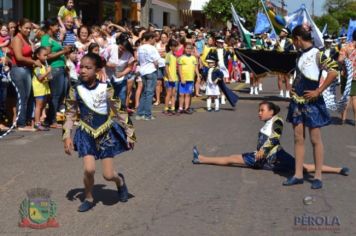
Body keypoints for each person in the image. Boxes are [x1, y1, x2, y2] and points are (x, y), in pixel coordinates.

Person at [192, 101, 349, 177]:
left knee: (305, 167)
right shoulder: (266, 123)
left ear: (271, 111)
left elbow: (275, 137)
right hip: (261, 157)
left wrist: (263, 150)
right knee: (231, 158)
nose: (259, 113)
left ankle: (338, 169)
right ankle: (200, 158)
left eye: (262, 110)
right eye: (259, 110)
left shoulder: (277, 120)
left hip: (276, 157)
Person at [63, 53, 136, 212]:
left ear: (97, 70)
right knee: (89, 170)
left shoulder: (106, 88)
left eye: (88, 68)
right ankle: (89, 197)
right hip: (85, 132)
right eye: (81, 67)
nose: (83, 70)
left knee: (108, 175)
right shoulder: (75, 89)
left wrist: (130, 132)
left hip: (105, 133)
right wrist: (67, 135)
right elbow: (69, 113)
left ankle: (120, 182)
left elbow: (119, 111)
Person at [283, 24, 339, 189]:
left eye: (294, 41)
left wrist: (319, 91)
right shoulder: (299, 56)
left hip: (312, 102)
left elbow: (334, 71)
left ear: (298, 39)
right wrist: (293, 87)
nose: (294, 44)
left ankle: (318, 176)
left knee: (315, 139)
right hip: (297, 101)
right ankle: (298, 174)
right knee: (298, 138)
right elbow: (300, 75)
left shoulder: (318, 54)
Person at [10, 18, 42, 131]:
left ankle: (24, 121)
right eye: (26, 28)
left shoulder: (26, 39)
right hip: (18, 70)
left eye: (30, 28)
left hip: (26, 70)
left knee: (26, 97)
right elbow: (18, 57)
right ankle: (21, 124)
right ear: (20, 27)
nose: (28, 30)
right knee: (22, 97)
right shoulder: (17, 39)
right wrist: (34, 62)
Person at [41, 18, 72, 129]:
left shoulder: (53, 38)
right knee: (55, 95)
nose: (58, 28)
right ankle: (52, 120)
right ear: (50, 26)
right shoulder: (46, 38)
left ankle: (54, 118)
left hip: (62, 68)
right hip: (55, 68)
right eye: (56, 26)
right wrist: (64, 51)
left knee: (62, 94)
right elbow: (47, 56)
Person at [135, 32, 160, 121]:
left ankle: (140, 113)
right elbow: (157, 61)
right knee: (149, 93)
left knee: (145, 92)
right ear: (150, 38)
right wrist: (156, 67)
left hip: (143, 71)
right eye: (154, 39)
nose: (155, 40)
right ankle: (147, 114)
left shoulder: (140, 48)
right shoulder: (152, 48)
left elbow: (138, 59)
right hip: (151, 70)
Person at [338, 30, 356, 126]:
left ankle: (343, 119)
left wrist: (347, 61)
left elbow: (340, 60)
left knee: (346, 97)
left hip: (346, 75)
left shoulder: (345, 47)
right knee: (354, 98)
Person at [32, 47, 51, 131]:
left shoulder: (44, 65)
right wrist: (47, 72)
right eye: (44, 55)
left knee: (43, 105)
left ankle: (40, 120)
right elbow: (39, 77)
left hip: (44, 88)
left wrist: (48, 75)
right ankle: (37, 123)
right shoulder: (37, 66)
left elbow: (45, 78)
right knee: (38, 106)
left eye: (47, 55)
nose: (46, 57)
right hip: (39, 89)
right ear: (38, 55)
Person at [178, 42, 200, 114]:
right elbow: (179, 69)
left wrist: (198, 76)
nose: (188, 50)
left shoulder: (194, 58)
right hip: (183, 79)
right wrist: (182, 78)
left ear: (192, 49)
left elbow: (196, 68)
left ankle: (186, 108)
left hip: (190, 79)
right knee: (181, 94)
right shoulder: (181, 58)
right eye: (187, 48)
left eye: (190, 48)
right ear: (184, 49)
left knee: (188, 94)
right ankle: (180, 108)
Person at [275, 28, 294, 98]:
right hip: (279, 61)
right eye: (281, 31)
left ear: (286, 34)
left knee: (287, 78)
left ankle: (287, 93)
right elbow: (274, 51)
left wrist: (285, 52)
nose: (281, 32)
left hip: (286, 61)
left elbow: (292, 52)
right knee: (279, 77)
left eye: (283, 31)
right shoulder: (277, 41)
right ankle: (281, 92)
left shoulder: (289, 42)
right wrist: (275, 47)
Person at [163, 39, 179, 115]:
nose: (176, 48)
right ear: (170, 47)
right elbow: (166, 67)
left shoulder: (175, 55)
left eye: (177, 46)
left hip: (175, 77)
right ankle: (166, 108)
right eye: (175, 46)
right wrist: (169, 77)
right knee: (168, 94)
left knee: (174, 94)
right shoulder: (168, 55)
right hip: (169, 78)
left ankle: (172, 108)